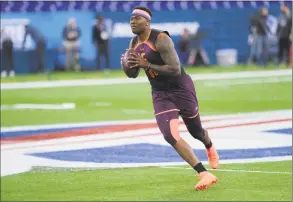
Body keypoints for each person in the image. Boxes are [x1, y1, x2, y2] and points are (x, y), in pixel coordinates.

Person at [121, 6, 219, 191]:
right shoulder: (133, 43)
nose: (132, 21)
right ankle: (203, 173)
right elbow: (133, 73)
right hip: (160, 93)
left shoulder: (162, 39)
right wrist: (130, 67)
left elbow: (174, 68)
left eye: (137, 18)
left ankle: (209, 145)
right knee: (170, 134)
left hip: (181, 88)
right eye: (131, 18)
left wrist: (147, 64)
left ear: (147, 21)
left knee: (196, 131)